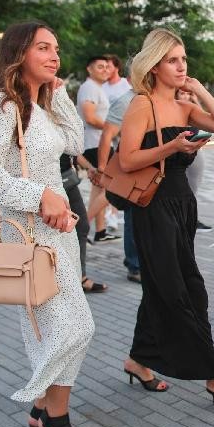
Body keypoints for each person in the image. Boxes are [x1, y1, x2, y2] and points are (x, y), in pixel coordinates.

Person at [0, 21, 94, 427]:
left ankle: (44, 410)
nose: (53, 55)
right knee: (72, 328)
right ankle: (50, 415)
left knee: (69, 329)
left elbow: (75, 143)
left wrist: (57, 93)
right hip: (29, 237)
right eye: (43, 47)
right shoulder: (1, 106)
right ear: (19, 52)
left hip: (57, 236)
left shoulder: (38, 107)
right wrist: (39, 194)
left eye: (56, 48)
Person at [119, 28, 214, 411]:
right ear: (155, 65)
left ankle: (139, 359)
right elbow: (128, 159)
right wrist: (172, 146)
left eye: (184, 60)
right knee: (184, 291)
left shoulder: (184, 105)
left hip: (183, 204)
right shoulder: (141, 105)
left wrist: (199, 89)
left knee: (163, 287)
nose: (181, 66)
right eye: (173, 60)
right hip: (153, 206)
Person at [97, 79, 141, 283]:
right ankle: (135, 265)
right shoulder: (127, 100)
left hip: (153, 167)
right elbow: (107, 135)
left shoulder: (157, 97)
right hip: (130, 168)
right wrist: (103, 169)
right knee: (133, 216)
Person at [77, 56, 119, 243]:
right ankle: (83, 226)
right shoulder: (89, 88)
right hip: (95, 144)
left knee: (99, 187)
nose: (105, 70)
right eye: (100, 67)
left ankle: (100, 231)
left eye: (106, 67)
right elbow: (90, 118)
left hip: (99, 142)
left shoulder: (97, 88)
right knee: (116, 186)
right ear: (89, 69)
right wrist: (114, 129)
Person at [60, 152, 107, 292]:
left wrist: (89, 167)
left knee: (81, 225)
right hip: (47, 182)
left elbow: (71, 148)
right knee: (52, 231)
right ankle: (68, 278)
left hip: (67, 178)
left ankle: (80, 277)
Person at [176, 89, 212, 232]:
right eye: (182, 93)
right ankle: (182, 218)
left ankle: (192, 219)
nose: (185, 96)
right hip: (178, 152)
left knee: (193, 188)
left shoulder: (193, 109)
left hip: (196, 152)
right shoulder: (174, 108)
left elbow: (206, 122)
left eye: (188, 94)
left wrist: (196, 101)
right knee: (180, 188)